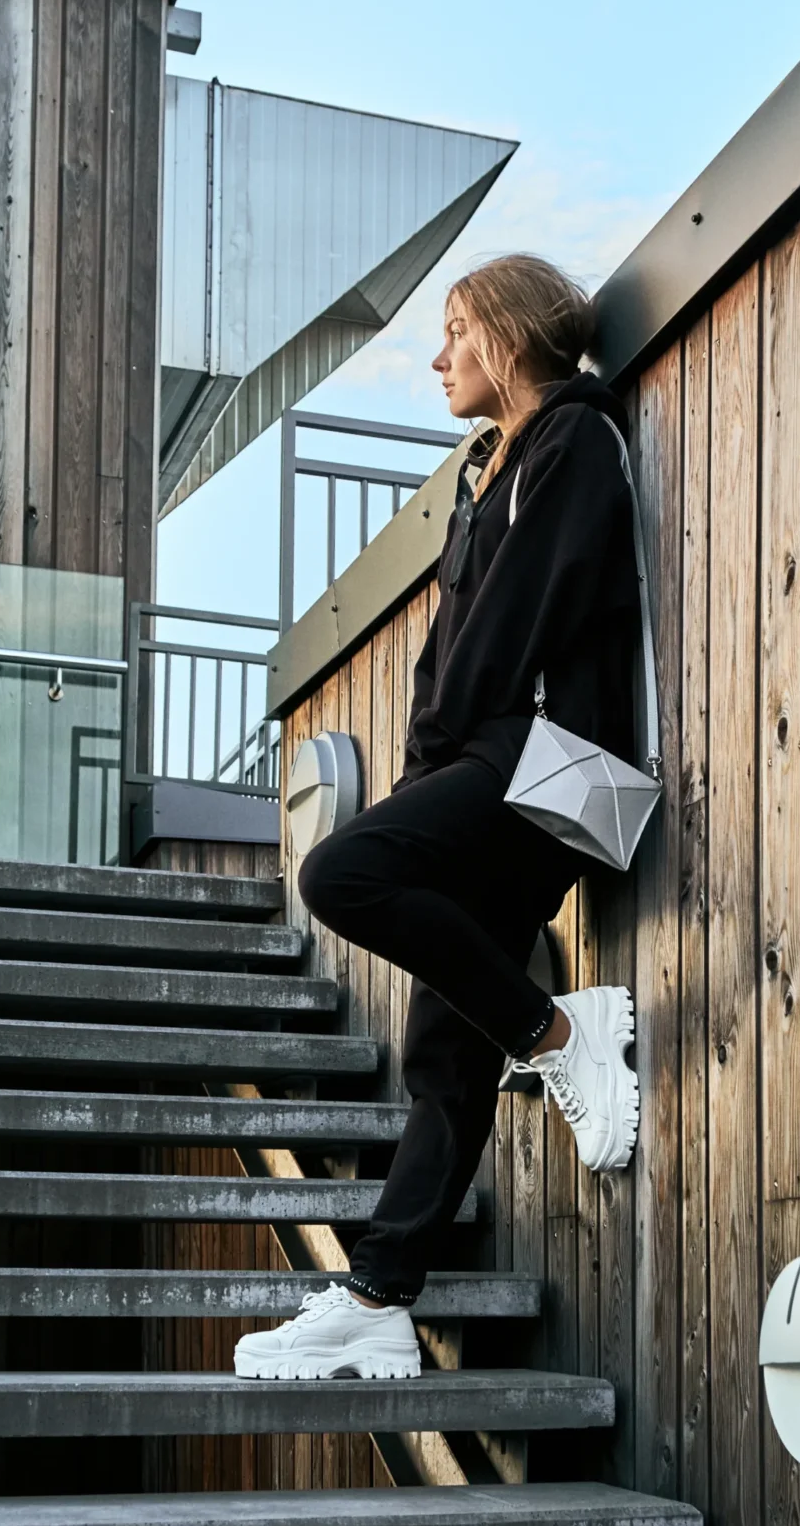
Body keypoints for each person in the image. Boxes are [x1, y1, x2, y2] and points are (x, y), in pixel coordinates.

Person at [234, 253, 642, 1383]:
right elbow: (447, 653)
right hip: (480, 766)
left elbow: (518, 621)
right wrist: (425, 770)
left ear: (508, 334)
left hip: (541, 761)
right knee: (442, 1057)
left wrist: (446, 753)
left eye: (456, 329)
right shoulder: (483, 470)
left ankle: (554, 1035)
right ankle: (380, 1297)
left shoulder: (573, 439)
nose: (438, 357)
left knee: (338, 875)